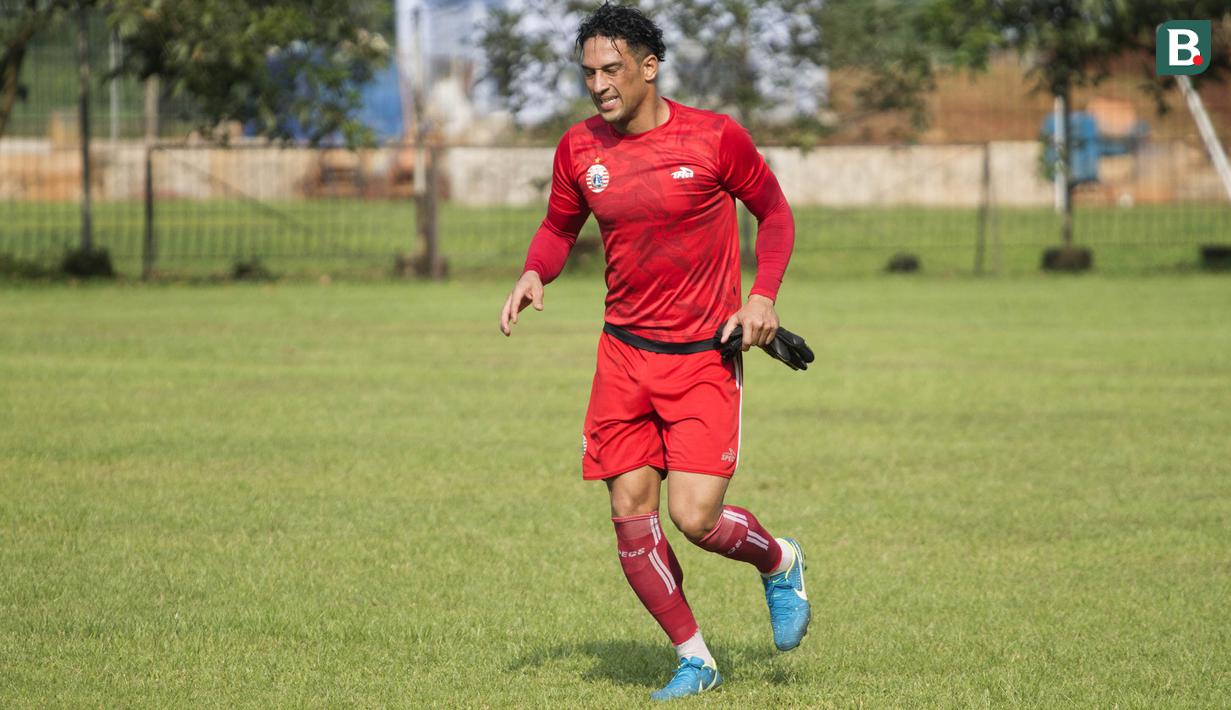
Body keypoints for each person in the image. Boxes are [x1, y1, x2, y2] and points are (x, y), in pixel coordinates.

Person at [498, 2, 809, 700]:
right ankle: (695, 659)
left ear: (648, 66)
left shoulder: (714, 138)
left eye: (611, 70)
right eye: (588, 73)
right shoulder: (580, 149)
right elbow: (557, 225)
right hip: (623, 355)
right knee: (629, 514)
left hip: (703, 355)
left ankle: (779, 560)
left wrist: (761, 297)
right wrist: (533, 271)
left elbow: (775, 214)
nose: (599, 84)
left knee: (694, 519)